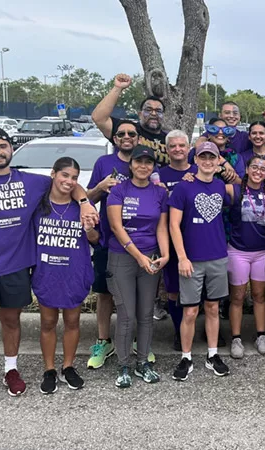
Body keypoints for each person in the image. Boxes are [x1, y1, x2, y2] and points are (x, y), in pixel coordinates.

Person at [0, 126, 97, 411]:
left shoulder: (30, 182)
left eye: (3, 146)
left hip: (17, 268)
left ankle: (11, 371)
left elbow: (69, 183)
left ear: (11, 148)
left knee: (11, 321)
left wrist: (85, 203)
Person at [85, 119, 147, 369]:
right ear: (115, 138)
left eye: (132, 133)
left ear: (139, 138)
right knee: (105, 293)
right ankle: (104, 341)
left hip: (142, 240)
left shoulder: (146, 163)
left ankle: (136, 342)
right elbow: (86, 199)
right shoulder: (104, 163)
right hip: (107, 239)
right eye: (121, 133)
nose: (126, 136)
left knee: (138, 294)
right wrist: (99, 187)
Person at [107, 145, 169, 388]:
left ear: (153, 167)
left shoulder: (159, 193)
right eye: (138, 162)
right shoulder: (119, 190)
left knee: (145, 315)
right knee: (126, 315)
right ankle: (123, 365)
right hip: (122, 257)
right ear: (130, 164)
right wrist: (138, 256)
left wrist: (164, 254)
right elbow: (116, 227)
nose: (143, 166)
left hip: (151, 256)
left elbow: (161, 227)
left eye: (148, 163)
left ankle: (143, 362)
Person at [34, 157, 97, 394]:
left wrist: (89, 228)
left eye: (74, 178)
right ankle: (49, 369)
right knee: (48, 322)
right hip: (47, 272)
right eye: (65, 175)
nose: (69, 181)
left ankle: (68, 366)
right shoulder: (38, 205)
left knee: (72, 321)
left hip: (74, 271)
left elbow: (95, 240)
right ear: (53, 174)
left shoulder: (83, 207)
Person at [169, 142, 231, 380]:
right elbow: (174, 224)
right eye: (203, 157)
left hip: (217, 256)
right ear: (196, 160)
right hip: (191, 259)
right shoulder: (184, 188)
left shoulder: (220, 186)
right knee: (190, 311)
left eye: (212, 157)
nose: (207, 161)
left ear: (217, 161)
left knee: (213, 307)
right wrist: (182, 257)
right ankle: (186, 357)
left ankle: (212, 354)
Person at [227, 156, 265, 358]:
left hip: (262, 252)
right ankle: (236, 338)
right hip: (238, 251)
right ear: (246, 169)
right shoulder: (234, 189)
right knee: (237, 297)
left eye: (263, 168)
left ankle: (261, 335)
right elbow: (208, 185)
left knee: (259, 296)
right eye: (254, 166)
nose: (258, 171)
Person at [159, 130, 198, 351]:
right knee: (173, 290)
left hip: (197, 239)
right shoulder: (158, 176)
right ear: (167, 150)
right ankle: (178, 330)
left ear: (189, 147)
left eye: (182, 145)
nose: (177, 149)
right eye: (173, 146)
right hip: (172, 241)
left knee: (200, 290)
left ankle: (196, 328)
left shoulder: (198, 171)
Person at [92, 73, 168, 165]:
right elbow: (99, 118)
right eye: (148, 110)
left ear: (163, 115)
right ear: (140, 114)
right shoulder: (128, 131)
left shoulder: (170, 140)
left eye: (158, 111)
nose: (153, 114)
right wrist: (118, 88)